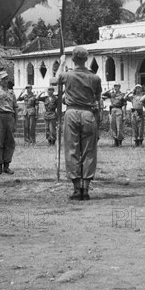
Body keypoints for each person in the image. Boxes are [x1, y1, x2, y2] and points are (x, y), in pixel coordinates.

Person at [55, 47, 102, 200]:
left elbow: (56, 79)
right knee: (89, 151)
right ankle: (86, 188)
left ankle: (76, 189)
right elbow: (98, 98)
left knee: (71, 149)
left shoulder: (67, 74)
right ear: (86, 59)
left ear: (73, 59)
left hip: (71, 112)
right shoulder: (95, 78)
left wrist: (62, 63)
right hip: (88, 113)